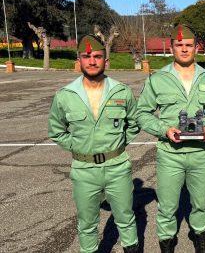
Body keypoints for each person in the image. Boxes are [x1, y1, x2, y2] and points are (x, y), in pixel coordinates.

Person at [136, 24, 205, 253]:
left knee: (201, 204)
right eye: (179, 45)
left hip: (200, 152)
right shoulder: (158, 79)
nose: (184, 49)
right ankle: (167, 244)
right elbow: (142, 113)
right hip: (170, 154)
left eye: (188, 45)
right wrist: (164, 129)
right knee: (167, 206)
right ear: (172, 47)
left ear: (195, 47)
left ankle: (201, 241)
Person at [48, 35, 140, 253]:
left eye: (97, 56)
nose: (92, 61)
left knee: (126, 220)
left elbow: (135, 123)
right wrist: (80, 147)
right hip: (84, 170)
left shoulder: (121, 91)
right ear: (78, 60)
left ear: (106, 61)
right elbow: (56, 131)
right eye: (86, 57)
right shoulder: (65, 95)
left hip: (117, 166)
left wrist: (117, 144)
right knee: (87, 225)